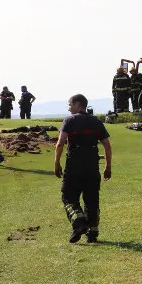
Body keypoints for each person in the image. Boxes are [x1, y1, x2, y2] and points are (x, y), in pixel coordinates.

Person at [54, 93, 112, 244]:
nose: (69, 108)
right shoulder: (96, 122)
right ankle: (92, 233)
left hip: (74, 165)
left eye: (70, 105)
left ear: (78, 105)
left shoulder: (69, 120)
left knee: (68, 196)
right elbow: (106, 145)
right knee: (92, 199)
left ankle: (79, 223)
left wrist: (56, 163)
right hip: (92, 165)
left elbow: (60, 143)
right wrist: (108, 167)